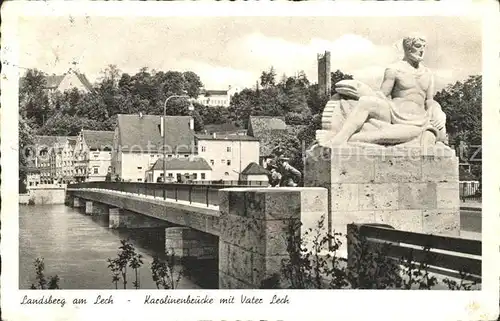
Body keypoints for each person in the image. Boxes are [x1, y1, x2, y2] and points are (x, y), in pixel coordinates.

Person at [328, 34, 447, 146]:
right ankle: (340, 138)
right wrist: (364, 93)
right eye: (417, 46)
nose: (422, 51)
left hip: (420, 118)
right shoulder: (394, 69)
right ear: (407, 48)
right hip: (393, 113)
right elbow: (382, 95)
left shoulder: (428, 73)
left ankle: (351, 139)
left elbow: (430, 100)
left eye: (423, 47)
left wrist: (440, 113)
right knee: (366, 101)